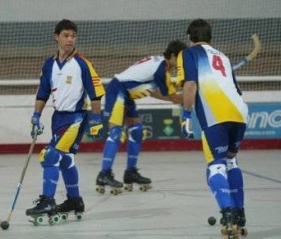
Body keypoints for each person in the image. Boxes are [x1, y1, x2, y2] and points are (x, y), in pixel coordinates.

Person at [26, 19, 105, 222]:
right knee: (66, 160)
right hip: (57, 118)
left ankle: (48, 201)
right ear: (57, 37)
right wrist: (36, 116)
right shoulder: (49, 64)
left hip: (76, 118)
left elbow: (95, 94)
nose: (70, 39)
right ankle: (74, 200)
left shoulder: (82, 64)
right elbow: (42, 93)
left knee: (50, 156)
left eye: (73, 36)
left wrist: (96, 120)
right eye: (66, 35)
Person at [178, 18, 248, 236]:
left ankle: (227, 213)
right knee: (231, 160)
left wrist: (186, 115)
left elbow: (190, 84)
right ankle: (239, 213)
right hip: (240, 112)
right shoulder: (223, 56)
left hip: (215, 114)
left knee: (215, 166)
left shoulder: (188, 53)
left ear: (190, 39)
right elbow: (236, 89)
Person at [95, 40, 187, 195]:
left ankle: (130, 172)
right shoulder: (161, 69)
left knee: (137, 131)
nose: (181, 64)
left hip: (126, 94)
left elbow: (154, 92)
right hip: (118, 91)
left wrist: (179, 97)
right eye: (181, 60)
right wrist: (192, 95)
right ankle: (104, 174)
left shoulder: (158, 63)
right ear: (172, 56)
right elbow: (171, 96)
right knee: (116, 133)